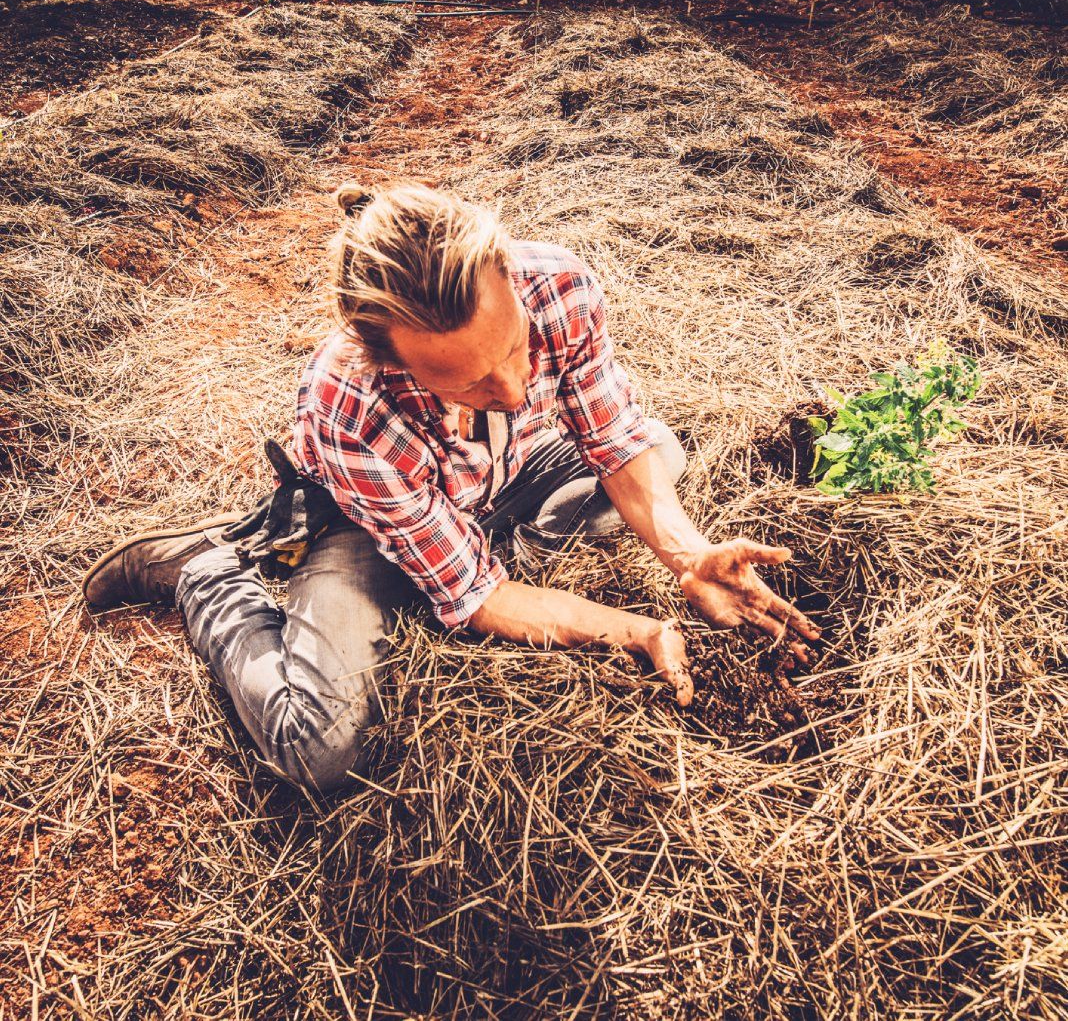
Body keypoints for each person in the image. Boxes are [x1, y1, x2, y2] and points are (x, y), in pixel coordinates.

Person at [82, 181, 820, 793]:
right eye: (468, 378)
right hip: (361, 519)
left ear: (507, 273)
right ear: (388, 358)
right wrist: (635, 629)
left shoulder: (558, 286)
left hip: (493, 482)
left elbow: (612, 439)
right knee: (320, 752)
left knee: (660, 449)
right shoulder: (349, 402)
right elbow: (478, 597)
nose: (513, 384)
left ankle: (469, 542)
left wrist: (687, 554)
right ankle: (209, 577)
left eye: (515, 347)